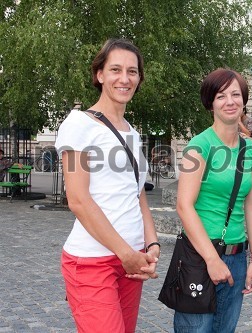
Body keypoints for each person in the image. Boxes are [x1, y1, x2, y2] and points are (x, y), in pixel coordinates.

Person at [55, 38, 160, 332]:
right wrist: (126, 253)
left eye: (132, 71)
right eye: (115, 69)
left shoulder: (132, 133)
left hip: (131, 261)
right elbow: (77, 199)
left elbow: (138, 194)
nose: (124, 79)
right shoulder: (78, 124)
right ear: (100, 74)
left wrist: (151, 244)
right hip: (91, 262)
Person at [175, 68, 252, 332]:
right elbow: (184, 205)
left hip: (236, 256)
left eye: (236, 94)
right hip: (201, 256)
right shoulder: (199, 146)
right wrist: (212, 260)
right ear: (210, 103)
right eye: (221, 95)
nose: (230, 101)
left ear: (244, 100)